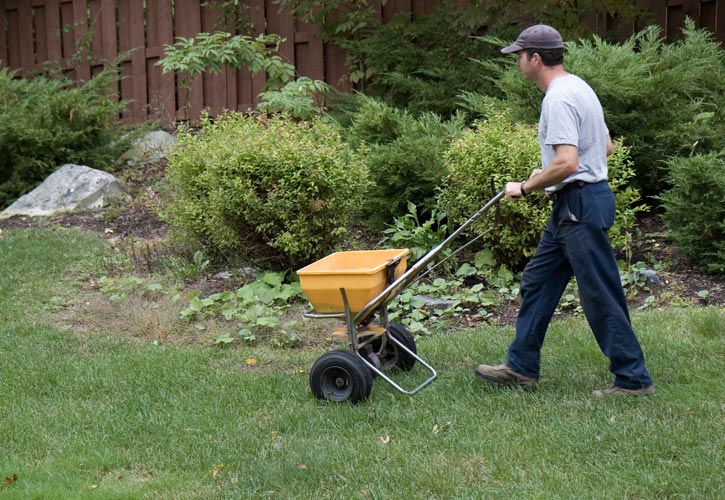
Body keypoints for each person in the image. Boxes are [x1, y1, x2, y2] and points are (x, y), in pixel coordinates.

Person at [475, 24, 654, 397]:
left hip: (579, 205)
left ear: (535, 58)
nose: (517, 63)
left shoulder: (556, 98)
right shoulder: (580, 87)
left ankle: (633, 379)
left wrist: (526, 186)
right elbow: (604, 146)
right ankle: (521, 366)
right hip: (577, 203)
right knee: (538, 281)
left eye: (519, 57)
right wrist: (551, 175)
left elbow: (569, 162)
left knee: (599, 294)